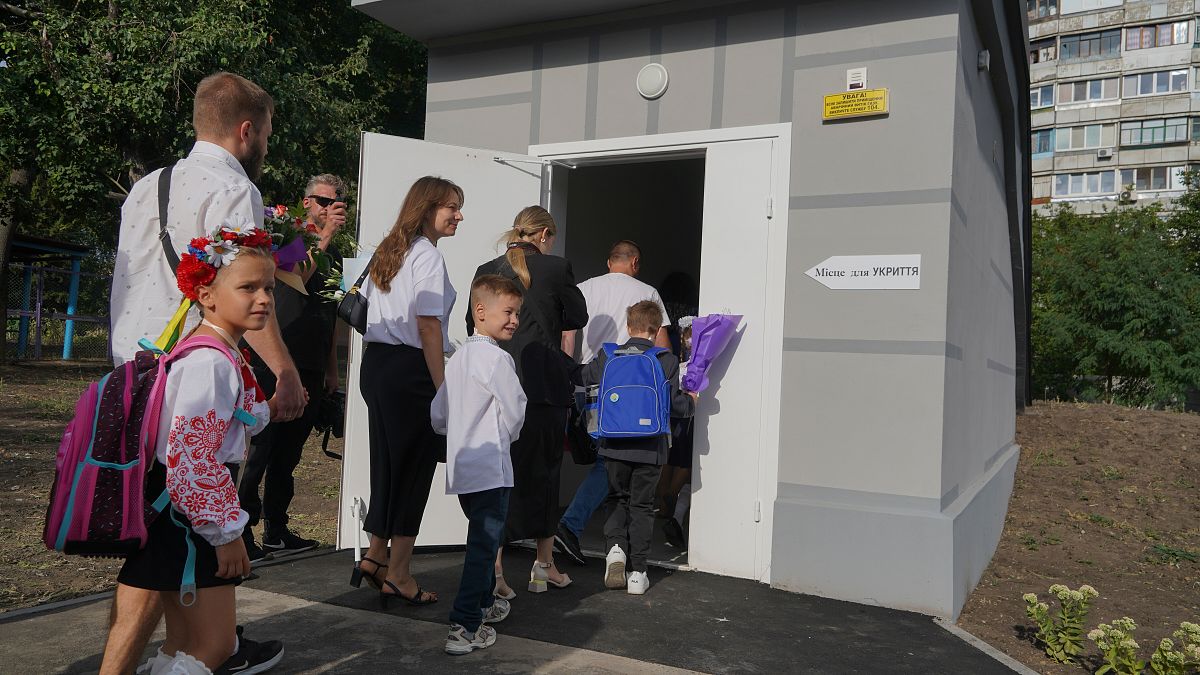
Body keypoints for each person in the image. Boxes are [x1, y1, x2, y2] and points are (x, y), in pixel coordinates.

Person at [104, 71, 295, 675]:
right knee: (170, 542)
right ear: (247, 130)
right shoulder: (234, 191)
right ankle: (193, 653)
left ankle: (180, 652)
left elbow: (126, 283)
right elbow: (242, 287)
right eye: (265, 131)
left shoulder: (147, 188)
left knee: (154, 551)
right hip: (196, 378)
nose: (265, 142)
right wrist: (282, 372)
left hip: (134, 379)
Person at [120, 221, 281, 674]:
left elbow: (228, 421)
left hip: (178, 512)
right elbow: (191, 458)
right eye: (248, 287)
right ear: (206, 294)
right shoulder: (210, 361)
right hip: (192, 516)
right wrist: (225, 534)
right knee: (214, 645)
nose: (264, 298)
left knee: (183, 643)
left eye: (268, 287)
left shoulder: (213, 350)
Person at [354, 176, 462, 607]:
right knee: (415, 469)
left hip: (377, 365)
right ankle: (398, 572)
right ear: (428, 207)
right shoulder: (427, 257)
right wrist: (442, 388)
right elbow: (428, 325)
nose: (458, 215)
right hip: (411, 369)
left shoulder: (388, 251)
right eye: (451, 206)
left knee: (387, 463)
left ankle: (376, 556)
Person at [469, 206, 587, 598]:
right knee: (546, 475)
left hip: (497, 382)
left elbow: (468, 322)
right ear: (545, 235)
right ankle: (544, 566)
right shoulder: (555, 267)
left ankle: (497, 571)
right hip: (544, 385)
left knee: (500, 479)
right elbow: (578, 316)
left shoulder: (487, 266)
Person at [239, 174, 347, 562]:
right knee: (262, 448)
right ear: (306, 203)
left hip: (313, 361)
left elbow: (333, 309)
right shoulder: (284, 239)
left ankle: (277, 528)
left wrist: (333, 369)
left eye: (338, 204)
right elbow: (296, 278)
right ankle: (242, 529)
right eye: (324, 202)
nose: (332, 210)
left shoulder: (334, 255)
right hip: (276, 358)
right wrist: (325, 236)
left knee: (291, 453)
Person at [554, 240, 671, 566]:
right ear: (634, 262)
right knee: (612, 461)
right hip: (628, 393)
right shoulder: (647, 292)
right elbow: (660, 349)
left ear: (609, 262)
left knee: (606, 460)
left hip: (589, 386)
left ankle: (585, 533)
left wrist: (571, 380)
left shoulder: (583, 289)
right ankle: (571, 527)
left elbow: (567, 337)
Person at [431, 275, 527, 655]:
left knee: (483, 539)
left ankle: (484, 605)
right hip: (491, 466)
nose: (515, 320)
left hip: (463, 468)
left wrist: (457, 431)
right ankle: (464, 625)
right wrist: (504, 437)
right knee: (484, 546)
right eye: (509, 312)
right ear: (480, 312)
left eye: (517, 313)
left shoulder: (456, 360)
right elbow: (515, 411)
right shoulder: (499, 359)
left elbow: (438, 414)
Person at [573, 301, 697, 595]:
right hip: (651, 447)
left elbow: (585, 378)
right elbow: (673, 405)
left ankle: (615, 549)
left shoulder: (608, 354)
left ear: (629, 327)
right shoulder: (665, 359)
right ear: (655, 331)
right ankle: (638, 573)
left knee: (616, 498)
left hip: (613, 443)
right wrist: (691, 401)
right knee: (642, 506)